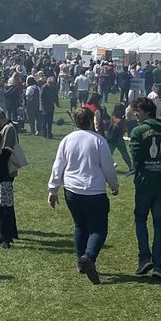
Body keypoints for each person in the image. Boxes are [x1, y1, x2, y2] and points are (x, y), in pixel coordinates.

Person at [47, 107, 119, 284]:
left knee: (80, 226)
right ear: (90, 122)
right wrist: (114, 185)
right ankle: (89, 257)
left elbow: (58, 166)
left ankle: (81, 263)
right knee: (98, 229)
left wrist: (53, 189)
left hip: (72, 190)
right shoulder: (98, 140)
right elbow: (108, 166)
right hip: (94, 191)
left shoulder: (67, 140)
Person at [128, 97, 161, 279]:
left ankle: (144, 258)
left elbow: (135, 157)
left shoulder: (138, 131)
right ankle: (159, 265)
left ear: (147, 112)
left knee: (141, 219)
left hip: (144, 183)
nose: (136, 113)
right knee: (160, 225)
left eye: (138, 110)